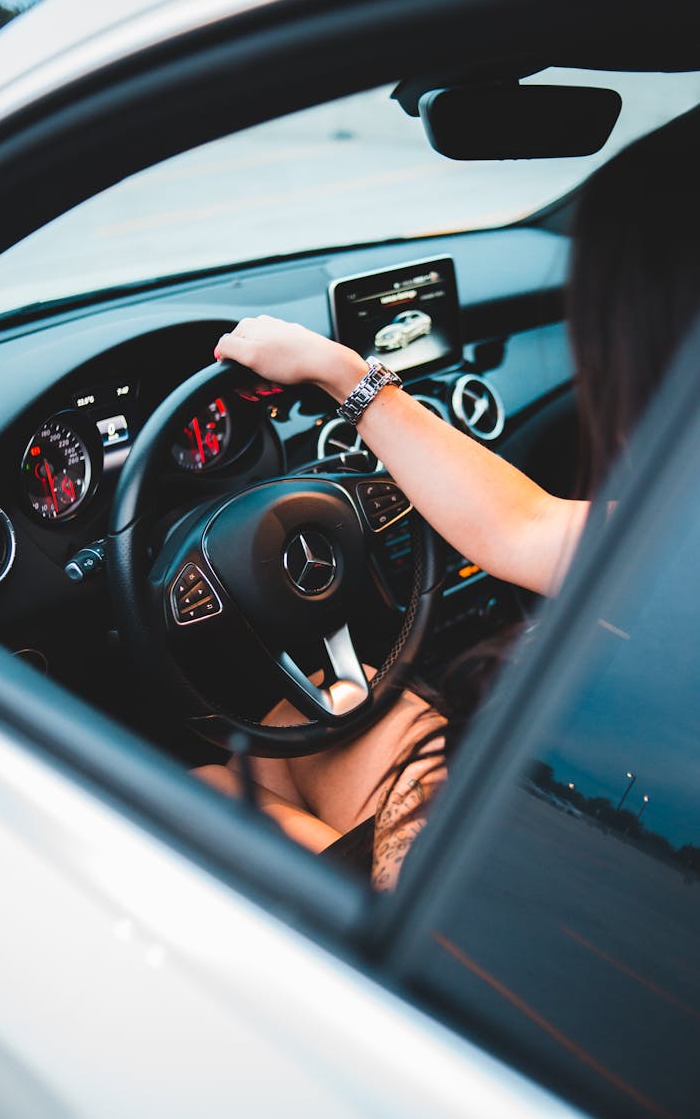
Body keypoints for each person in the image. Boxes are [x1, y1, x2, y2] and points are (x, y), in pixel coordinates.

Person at [196, 105, 700, 890]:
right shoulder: (680, 537)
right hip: (612, 863)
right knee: (300, 724)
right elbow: (521, 524)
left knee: (210, 784)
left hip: (543, 910)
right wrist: (341, 373)